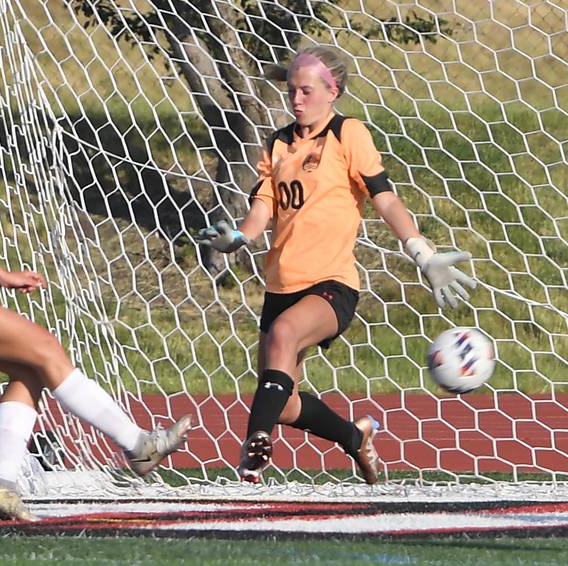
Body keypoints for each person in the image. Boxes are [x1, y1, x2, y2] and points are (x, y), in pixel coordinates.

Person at [0, 66, 192, 520]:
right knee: (46, 348)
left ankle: (1, 482)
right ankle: (138, 445)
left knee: (32, 368)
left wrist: (2, 274)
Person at [196, 46, 476, 484]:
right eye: (291, 91)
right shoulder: (279, 143)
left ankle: (253, 453)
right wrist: (240, 237)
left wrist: (421, 252)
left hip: (331, 284)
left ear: (333, 91)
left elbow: (385, 198)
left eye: (306, 90)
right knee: (284, 401)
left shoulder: (349, 134)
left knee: (285, 336)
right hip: (280, 287)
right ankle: (353, 436)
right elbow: (263, 206)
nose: (296, 100)